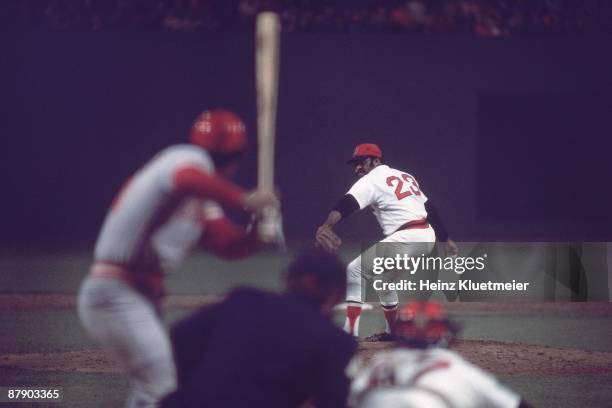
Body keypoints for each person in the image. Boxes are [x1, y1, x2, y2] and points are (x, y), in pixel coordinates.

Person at [77, 110, 279, 407]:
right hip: (116, 292)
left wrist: (257, 232)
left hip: (139, 297)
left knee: (150, 391)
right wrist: (244, 199)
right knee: (164, 389)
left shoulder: (199, 196)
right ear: (236, 156)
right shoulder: (184, 159)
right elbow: (185, 178)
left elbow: (228, 246)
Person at [161, 249, 358, 408]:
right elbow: (332, 401)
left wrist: (196, 387)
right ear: (336, 294)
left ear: (288, 280)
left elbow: (180, 336)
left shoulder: (243, 301)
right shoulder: (336, 342)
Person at [315, 143, 457, 341]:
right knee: (385, 282)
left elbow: (347, 203)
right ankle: (395, 332)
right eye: (355, 164)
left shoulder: (371, 179)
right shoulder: (404, 175)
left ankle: (349, 333)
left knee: (355, 270)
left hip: (407, 237)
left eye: (361, 162)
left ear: (376, 160)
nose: (357, 168)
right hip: (426, 236)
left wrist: (326, 225)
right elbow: (429, 208)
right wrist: (445, 238)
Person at [347, 301, 531, 408]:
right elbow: (516, 404)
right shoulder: (454, 366)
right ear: (446, 334)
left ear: (399, 334)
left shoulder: (379, 364)